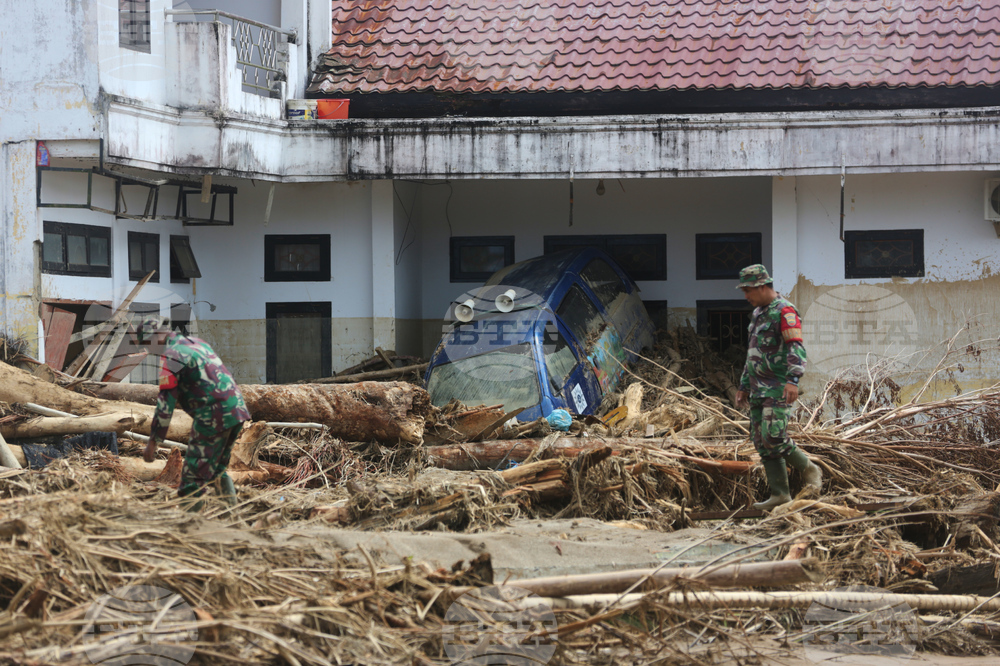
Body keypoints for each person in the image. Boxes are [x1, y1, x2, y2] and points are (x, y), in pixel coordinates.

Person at [138, 316, 250, 511]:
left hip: (213, 416)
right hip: (237, 410)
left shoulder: (172, 356)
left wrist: (153, 441)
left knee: (192, 477)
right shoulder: (198, 343)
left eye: (147, 346)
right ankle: (232, 519)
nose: (150, 352)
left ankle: (190, 526)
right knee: (216, 470)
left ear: (154, 338)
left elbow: (166, 403)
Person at [734, 265, 822, 510]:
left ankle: (810, 468)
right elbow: (752, 353)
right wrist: (743, 385)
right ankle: (780, 494)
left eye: (748, 290)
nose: (746, 296)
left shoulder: (785, 311)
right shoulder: (758, 314)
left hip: (777, 388)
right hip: (756, 389)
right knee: (761, 440)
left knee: (775, 437)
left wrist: (793, 381)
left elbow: (797, 348)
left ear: (763, 286)